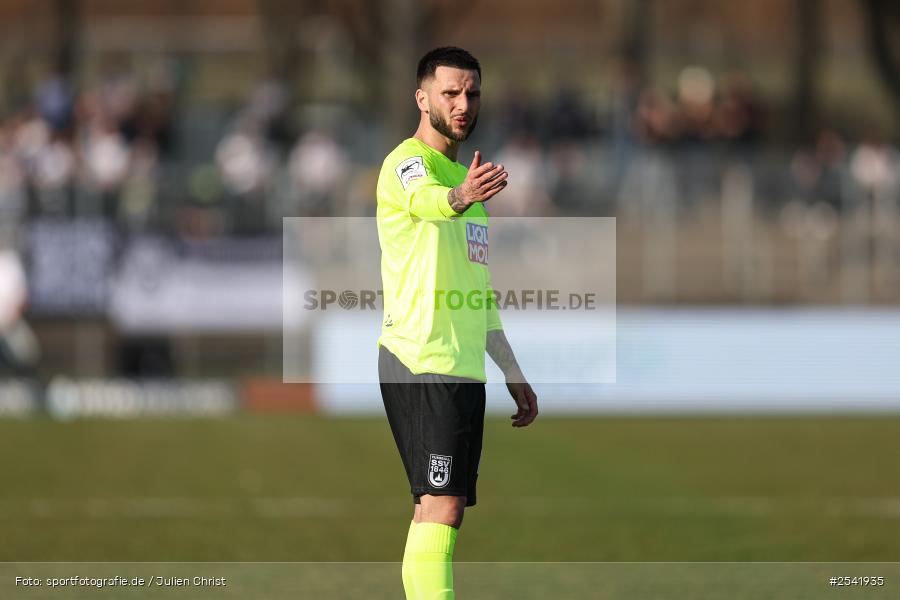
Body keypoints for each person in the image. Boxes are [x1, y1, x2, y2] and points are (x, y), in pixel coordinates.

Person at [375, 46, 538, 599]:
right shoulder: (407, 163)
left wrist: (511, 370)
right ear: (422, 98)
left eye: (472, 93)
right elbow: (427, 201)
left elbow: (479, 294)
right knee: (441, 505)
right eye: (450, 92)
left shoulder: (471, 187)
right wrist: (461, 195)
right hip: (421, 359)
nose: (463, 104)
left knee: (438, 510)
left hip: (463, 367)